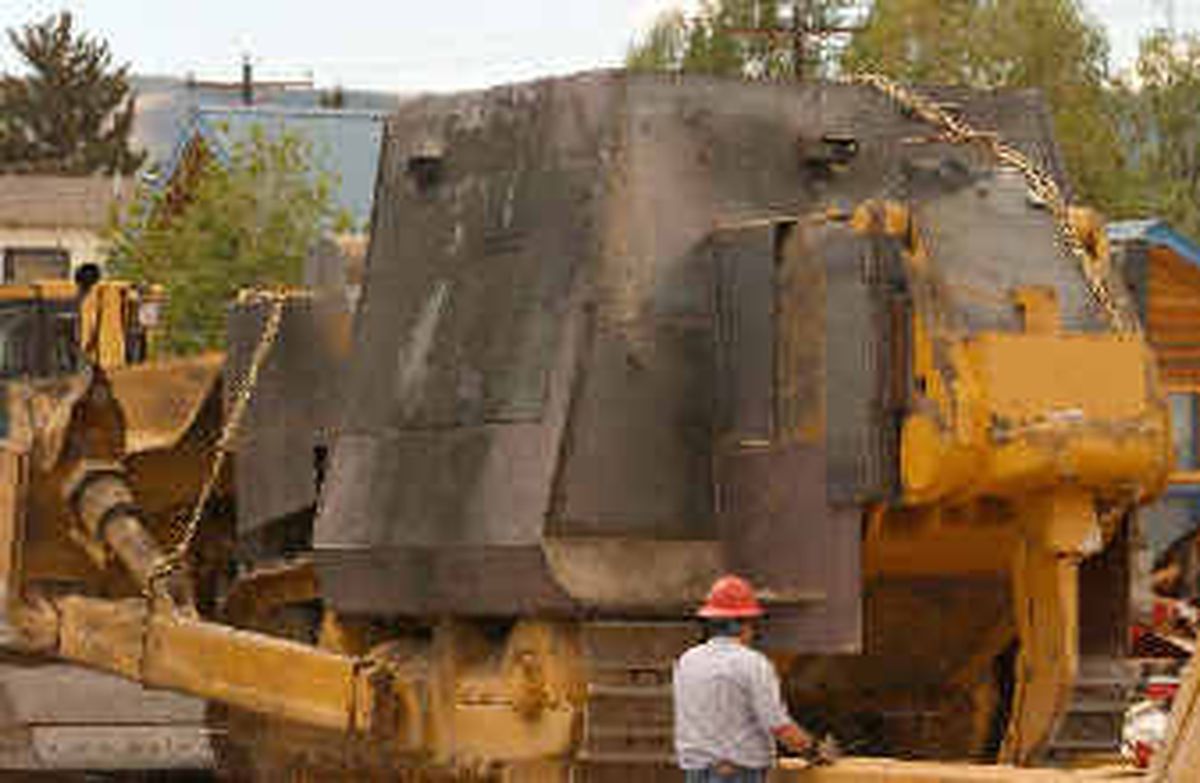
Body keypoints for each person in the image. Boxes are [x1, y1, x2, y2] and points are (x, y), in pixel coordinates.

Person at [673, 574, 833, 782]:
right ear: (745, 625)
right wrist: (814, 749)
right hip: (739, 774)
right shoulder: (753, 663)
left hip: (696, 772)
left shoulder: (687, 661)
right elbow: (778, 725)